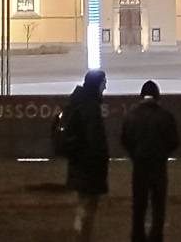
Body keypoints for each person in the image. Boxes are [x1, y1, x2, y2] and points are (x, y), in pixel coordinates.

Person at [119, 80, 180, 242]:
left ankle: (137, 237)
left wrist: (134, 153)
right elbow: (174, 141)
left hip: (139, 166)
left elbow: (124, 139)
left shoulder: (132, 115)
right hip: (159, 166)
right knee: (158, 207)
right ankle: (156, 237)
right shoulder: (166, 116)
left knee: (139, 205)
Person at [58, 68, 110, 235]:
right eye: (103, 83)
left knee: (84, 206)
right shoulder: (90, 108)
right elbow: (95, 141)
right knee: (87, 208)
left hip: (79, 166)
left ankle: (81, 235)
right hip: (88, 169)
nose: (105, 87)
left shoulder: (78, 103)